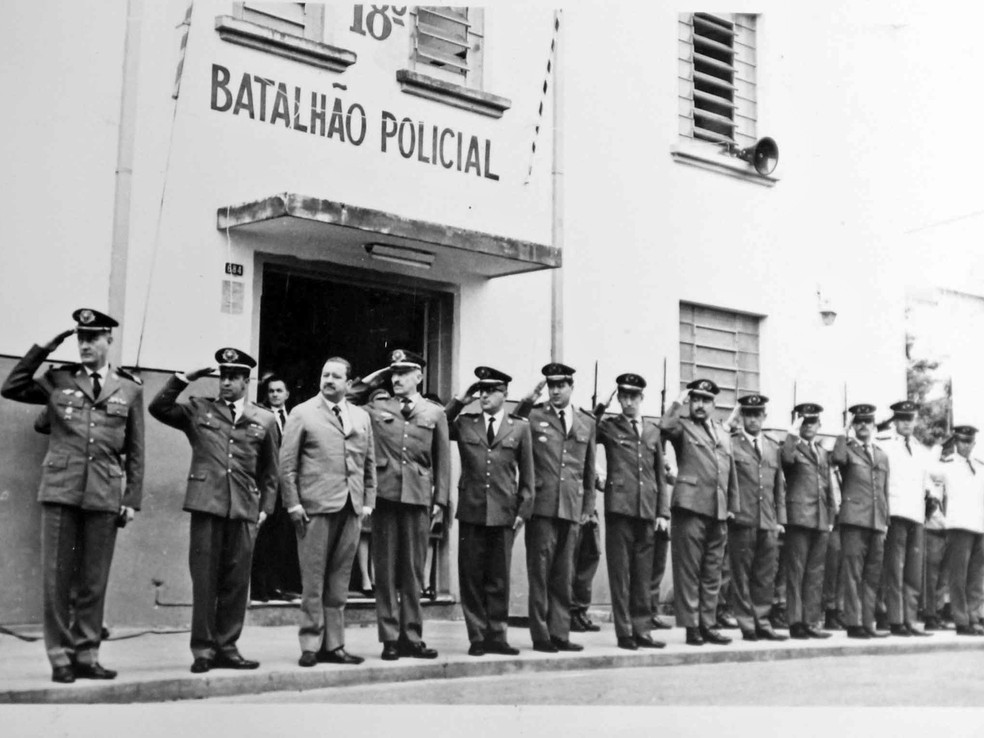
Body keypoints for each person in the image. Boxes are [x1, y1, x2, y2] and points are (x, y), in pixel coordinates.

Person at [1, 309, 144, 684]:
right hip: (61, 490)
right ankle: (60, 657)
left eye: (92, 337)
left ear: (108, 341)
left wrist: (131, 498)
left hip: (104, 491)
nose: (84, 344)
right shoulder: (58, 378)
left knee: (94, 580)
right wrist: (45, 347)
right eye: (80, 337)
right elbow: (11, 387)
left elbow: (136, 449)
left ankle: (87, 653)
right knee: (57, 579)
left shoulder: (129, 388)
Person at [149, 347, 278, 673]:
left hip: (244, 509)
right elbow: (158, 408)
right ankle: (204, 650)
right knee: (205, 581)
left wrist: (266, 508)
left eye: (234, 377)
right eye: (223, 376)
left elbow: (271, 472)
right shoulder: (199, 410)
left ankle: (228, 647)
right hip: (206, 506)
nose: (226, 383)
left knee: (236, 584)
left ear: (245, 381)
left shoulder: (264, 418)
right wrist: (183, 378)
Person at [280, 357, 375, 666]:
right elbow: (287, 465)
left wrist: (367, 502)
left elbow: (368, 465)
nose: (329, 380)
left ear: (349, 383)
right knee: (313, 579)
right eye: (325, 374)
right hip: (314, 508)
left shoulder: (361, 416)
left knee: (339, 581)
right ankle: (310, 644)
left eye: (336, 376)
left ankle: (334, 645)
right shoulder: (303, 413)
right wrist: (293, 503)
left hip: (351, 507)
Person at [365, 349, 450, 661]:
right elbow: (348, 397)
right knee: (385, 571)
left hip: (417, 498)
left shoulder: (434, 413)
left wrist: (440, 500)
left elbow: (442, 459)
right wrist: (373, 377)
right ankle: (389, 637)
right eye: (393, 372)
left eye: (403, 372)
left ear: (419, 376)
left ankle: (411, 636)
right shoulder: (378, 406)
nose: (396, 378)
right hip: (385, 496)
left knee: (414, 571)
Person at [445, 366, 533, 656]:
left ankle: (498, 635)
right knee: (471, 577)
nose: (484, 395)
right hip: (472, 510)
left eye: (491, 390)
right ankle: (477, 637)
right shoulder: (466, 422)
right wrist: (460, 399)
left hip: (504, 511)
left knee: (499, 578)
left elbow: (528, 475)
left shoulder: (519, 426)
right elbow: (439, 424)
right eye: (481, 390)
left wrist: (524, 509)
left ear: (505, 394)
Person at [514, 363, 597, 653]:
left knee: (564, 574)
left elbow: (588, 470)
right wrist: (527, 398)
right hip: (542, 506)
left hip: (571, 507)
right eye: (551, 385)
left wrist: (588, 506)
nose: (555, 390)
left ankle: (560, 632)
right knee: (540, 572)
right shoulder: (535, 416)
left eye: (561, 385)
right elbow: (512, 420)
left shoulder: (586, 422)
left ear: (571, 387)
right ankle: (541, 635)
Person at [660, 379, 739, 646]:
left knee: (712, 572)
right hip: (690, 507)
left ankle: (708, 624)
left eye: (705, 400)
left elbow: (730, 472)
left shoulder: (722, 431)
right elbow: (664, 427)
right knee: (689, 571)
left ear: (714, 404)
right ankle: (692, 627)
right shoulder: (682, 426)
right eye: (695, 400)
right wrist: (676, 402)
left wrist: (731, 506)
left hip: (718, 510)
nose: (700, 405)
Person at [593, 373, 669, 650]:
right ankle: (625, 632)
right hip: (620, 510)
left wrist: (663, 512)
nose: (628, 402)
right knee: (620, 574)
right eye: (623, 396)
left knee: (643, 576)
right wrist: (602, 404)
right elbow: (586, 427)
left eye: (632, 397)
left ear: (641, 399)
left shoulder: (652, 431)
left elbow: (660, 474)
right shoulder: (610, 427)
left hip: (647, 511)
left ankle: (643, 631)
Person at [725, 394, 787, 642]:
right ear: (742, 417)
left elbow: (778, 487)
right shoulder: (732, 444)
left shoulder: (773, 447)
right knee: (741, 575)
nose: (753, 419)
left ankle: (763, 621)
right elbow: (728, 480)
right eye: (748, 414)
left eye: (757, 414)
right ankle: (747, 624)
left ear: (764, 417)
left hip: (768, 520)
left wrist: (780, 519)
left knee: (765, 575)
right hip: (743, 518)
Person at [831, 403, 890, 639]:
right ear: (853, 426)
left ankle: (868, 623)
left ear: (874, 425)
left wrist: (885, 520)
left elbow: (883, 490)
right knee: (853, 574)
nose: (863, 425)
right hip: (854, 521)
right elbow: (836, 458)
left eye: (867, 421)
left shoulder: (881, 454)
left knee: (872, 577)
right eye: (858, 422)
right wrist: (843, 432)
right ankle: (853, 624)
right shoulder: (848, 449)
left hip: (877, 522)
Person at [877, 401, 933, 637]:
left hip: (916, 514)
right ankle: (895, 620)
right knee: (894, 569)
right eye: (902, 419)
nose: (906, 424)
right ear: (895, 421)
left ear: (915, 421)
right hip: (896, 513)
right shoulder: (885, 446)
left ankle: (910, 620)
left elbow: (927, 482)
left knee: (913, 571)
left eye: (910, 419)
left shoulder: (921, 450)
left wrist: (931, 498)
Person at [781, 403, 836, 639]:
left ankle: (811, 622)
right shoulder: (791, 446)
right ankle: (795, 622)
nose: (809, 426)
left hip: (821, 517)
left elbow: (827, 484)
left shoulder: (822, 452)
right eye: (804, 422)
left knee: (815, 573)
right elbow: (786, 459)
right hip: (799, 517)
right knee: (796, 571)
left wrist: (831, 515)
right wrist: (792, 433)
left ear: (819, 425)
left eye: (812, 422)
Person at [250, 374, 301, 603]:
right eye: (271, 391)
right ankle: (260, 588)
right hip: (268, 484)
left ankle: (278, 585)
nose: (275, 395)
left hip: (288, 486)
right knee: (264, 538)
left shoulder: (294, 417)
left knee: (283, 538)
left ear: (287, 394)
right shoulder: (261, 416)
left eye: (279, 391)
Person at [936, 425, 984, 636]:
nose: (965, 445)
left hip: (979, 526)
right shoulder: (947, 465)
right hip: (958, 526)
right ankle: (961, 619)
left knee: (976, 576)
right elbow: (928, 470)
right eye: (961, 441)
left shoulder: (980, 466)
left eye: (969, 441)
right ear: (955, 442)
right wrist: (940, 446)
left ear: (974, 443)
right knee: (958, 576)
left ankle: (974, 616)